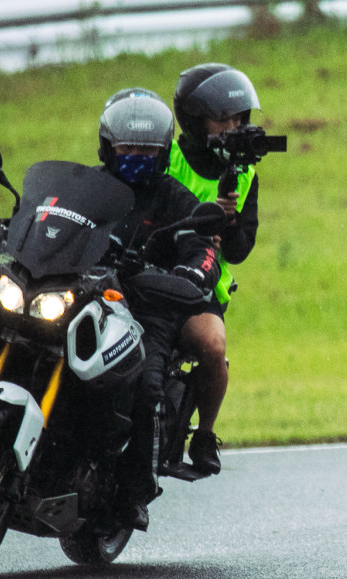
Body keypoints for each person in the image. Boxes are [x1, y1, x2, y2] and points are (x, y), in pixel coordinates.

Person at [98, 88, 219, 530]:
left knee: (147, 388)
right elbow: (47, 215)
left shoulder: (175, 198)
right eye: (127, 147)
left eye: (147, 150)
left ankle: (136, 490)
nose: (136, 156)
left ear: (164, 151)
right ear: (108, 146)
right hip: (86, 296)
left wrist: (193, 275)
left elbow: (204, 247)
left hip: (149, 308)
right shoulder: (89, 187)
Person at [167, 62, 265, 475]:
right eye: (221, 118)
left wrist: (230, 222)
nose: (232, 126)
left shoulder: (245, 175)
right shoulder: (166, 156)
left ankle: (204, 433)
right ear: (194, 120)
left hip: (202, 285)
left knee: (212, 347)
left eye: (238, 118)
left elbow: (240, 251)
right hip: (149, 267)